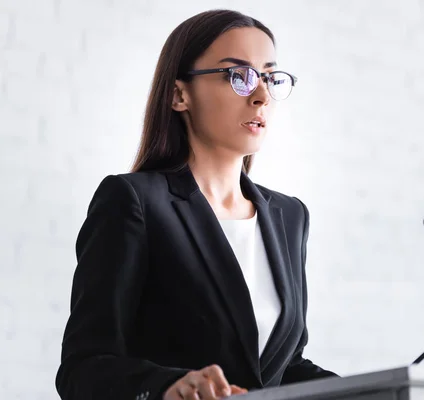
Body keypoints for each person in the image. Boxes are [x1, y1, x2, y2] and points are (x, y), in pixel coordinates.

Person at [55, 9, 337, 400]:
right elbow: (82, 369)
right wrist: (168, 386)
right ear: (179, 94)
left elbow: (283, 366)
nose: (260, 96)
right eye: (237, 76)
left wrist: (376, 390)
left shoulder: (290, 216)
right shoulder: (133, 202)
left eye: (270, 77)